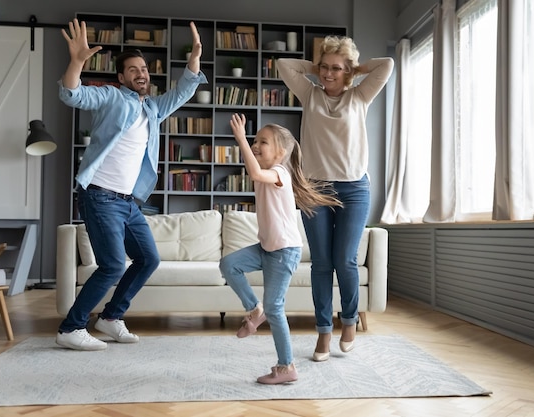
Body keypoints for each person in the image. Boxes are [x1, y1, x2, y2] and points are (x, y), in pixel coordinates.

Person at [55, 18, 207, 351]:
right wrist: (77, 61)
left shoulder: (152, 109)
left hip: (127, 202)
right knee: (111, 265)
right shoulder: (111, 98)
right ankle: (71, 327)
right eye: (133, 69)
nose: (142, 73)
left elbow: (183, 91)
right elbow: (72, 94)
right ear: (122, 77)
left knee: (148, 259)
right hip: (100, 196)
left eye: (144, 69)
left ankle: (110, 318)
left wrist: (194, 60)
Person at [277, 37, 394, 361]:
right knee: (321, 264)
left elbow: (387, 65)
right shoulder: (309, 94)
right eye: (325, 67)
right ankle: (323, 331)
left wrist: (355, 69)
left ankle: (349, 322)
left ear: (348, 72)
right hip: (315, 189)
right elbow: (283, 65)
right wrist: (317, 67)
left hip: (354, 189)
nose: (329, 73)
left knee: (345, 260)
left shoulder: (360, 96)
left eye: (336, 69)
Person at [220, 113, 342, 384]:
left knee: (275, 308)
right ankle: (254, 310)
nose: (255, 144)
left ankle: (287, 368)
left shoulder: (279, 173)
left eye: (263, 141)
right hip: (267, 248)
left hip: (284, 250)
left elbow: (254, 171)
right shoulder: (267, 173)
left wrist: (239, 137)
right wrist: (248, 145)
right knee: (229, 264)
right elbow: (254, 168)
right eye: (254, 140)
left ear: (281, 153)